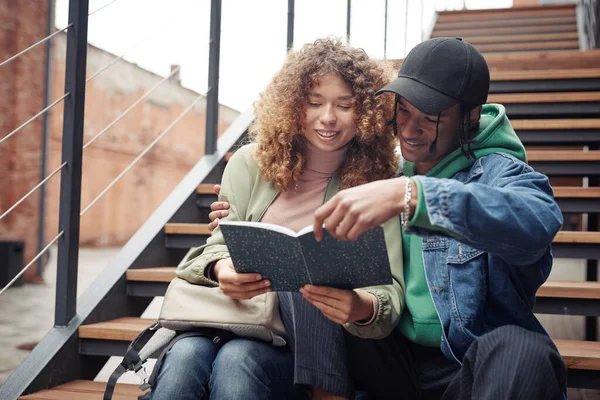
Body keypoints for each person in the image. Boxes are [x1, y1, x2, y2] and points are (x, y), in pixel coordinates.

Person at [209, 37, 568, 399]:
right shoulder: (383, 169)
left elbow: (538, 221)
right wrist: (235, 214)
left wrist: (412, 196)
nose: (411, 130)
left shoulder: (498, 174)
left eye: (431, 118)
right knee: (304, 285)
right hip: (384, 353)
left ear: (471, 116)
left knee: (523, 351)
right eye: (404, 111)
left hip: (464, 361)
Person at [151, 38, 405, 400]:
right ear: (292, 105)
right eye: (314, 102)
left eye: (344, 105)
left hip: (308, 350)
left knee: (238, 363)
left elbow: (389, 294)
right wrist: (222, 270)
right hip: (234, 317)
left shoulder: (378, 183)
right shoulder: (249, 163)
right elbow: (211, 251)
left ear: (367, 110)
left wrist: (360, 307)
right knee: (184, 359)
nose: (328, 117)